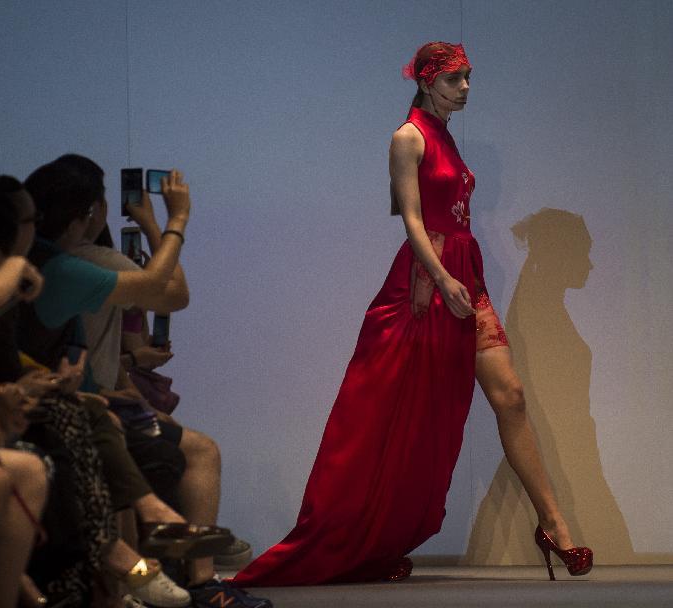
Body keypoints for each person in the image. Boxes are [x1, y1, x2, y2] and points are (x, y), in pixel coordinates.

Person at [234, 41, 593, 587]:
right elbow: (409, 217)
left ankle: (553, 524)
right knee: (393, 414)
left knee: (510, 396)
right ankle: (367, 538)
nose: (465, 88)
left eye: (468, 78)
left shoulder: (444, 134)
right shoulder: (409, 137)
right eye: (454, 80)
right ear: (427, 82)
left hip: (463, 274)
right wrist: (442, 276)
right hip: (429, 281)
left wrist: (460, 275)